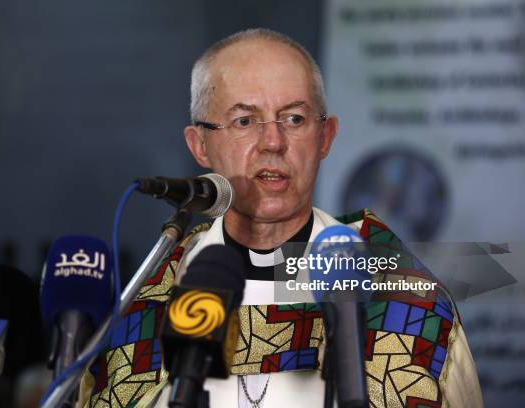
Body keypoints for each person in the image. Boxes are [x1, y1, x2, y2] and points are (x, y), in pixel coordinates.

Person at [79, 28, 483, 408]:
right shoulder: (141, 310)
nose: (272, 142)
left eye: (294, 119)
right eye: (244, 121)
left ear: (325, 138)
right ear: (199, 146)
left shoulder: (403, 299)